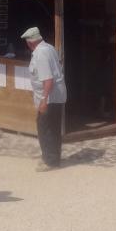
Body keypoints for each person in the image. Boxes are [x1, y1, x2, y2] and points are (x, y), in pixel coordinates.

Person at [22, 26, 67, 170]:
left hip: (50, 96)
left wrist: (44, 100)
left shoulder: (40, 54)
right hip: (57, 94)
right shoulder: (49, 47)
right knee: (53, 127)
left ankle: (50, 161)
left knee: (44, 127)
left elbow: (48, 80)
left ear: (30, 42)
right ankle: (53, 158)